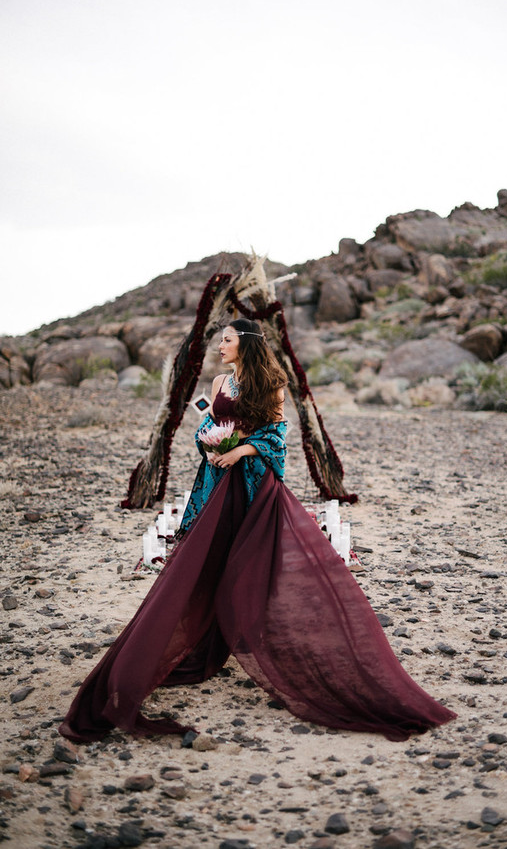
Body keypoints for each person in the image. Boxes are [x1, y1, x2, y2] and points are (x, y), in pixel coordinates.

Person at [59, 318, 456, 743]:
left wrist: (241, 450)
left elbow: (276, 436)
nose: (220, 347)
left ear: (245, 344)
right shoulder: (218, 383)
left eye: (226, 340)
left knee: (251, 561)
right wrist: (212, 446)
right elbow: (207, 428)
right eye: (219, 341)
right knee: (204, 561)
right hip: (215, 484)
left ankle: (264, 640)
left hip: (251, 485)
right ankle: (201, 643)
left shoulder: (271, 384)